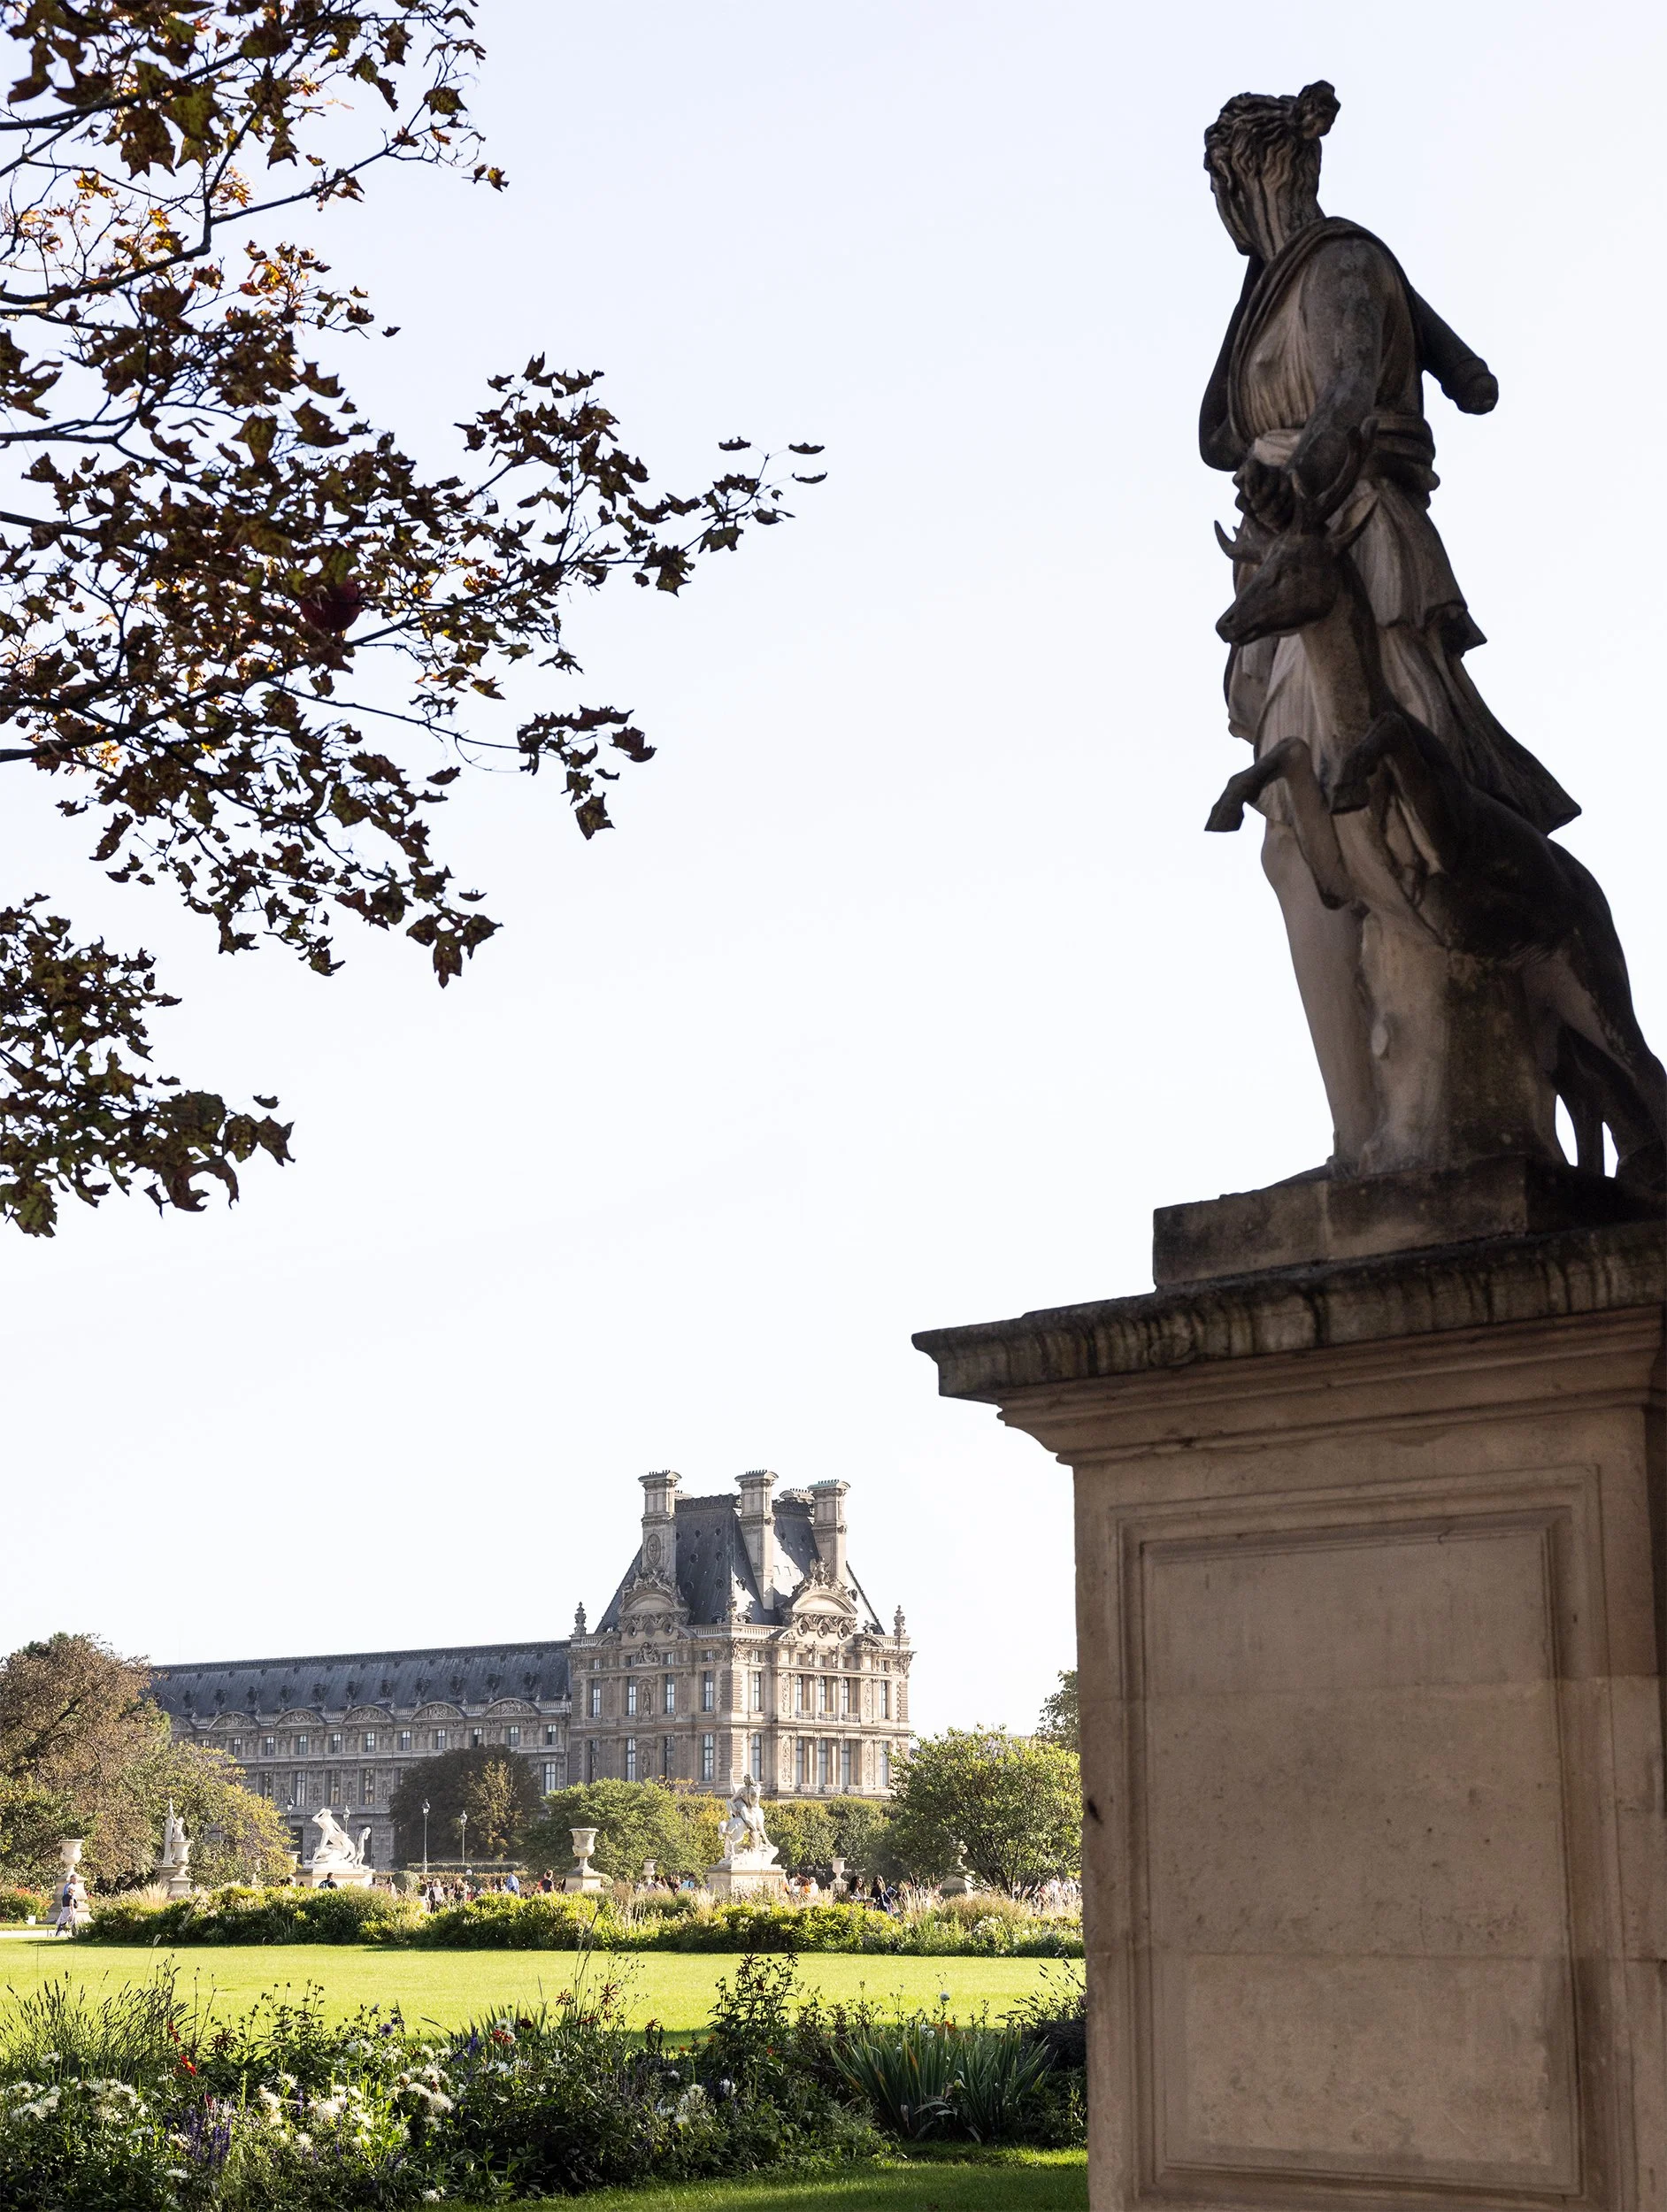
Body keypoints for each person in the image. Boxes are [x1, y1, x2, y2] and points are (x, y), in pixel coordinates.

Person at [1199, 81, 1576, 1172]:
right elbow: (1217, 434)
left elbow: (1347, 397)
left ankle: (1451, 1116)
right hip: (1292, 559)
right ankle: (1359, 1138)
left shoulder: (1346, 268)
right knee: (1292, 837)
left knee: (1395, 802)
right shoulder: (1286, 287)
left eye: (1224, 187)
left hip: (1356, 548)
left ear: (1253, 176)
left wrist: (1294, 478)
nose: (1222, 213)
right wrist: (1259, 280)